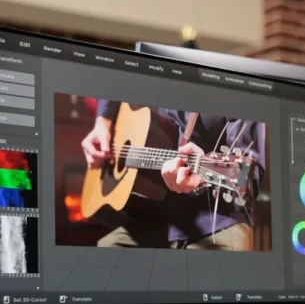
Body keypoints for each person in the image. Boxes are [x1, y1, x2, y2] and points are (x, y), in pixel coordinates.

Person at [80, 100, 266, 250]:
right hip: (155, 218)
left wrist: (199, 178)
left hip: (214, 220)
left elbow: (249, 175)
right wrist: (103, 121)